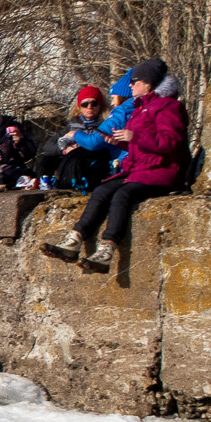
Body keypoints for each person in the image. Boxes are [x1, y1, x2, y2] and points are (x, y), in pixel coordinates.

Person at [40, 58, 188, 272]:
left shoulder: (169, 107)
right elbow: (141, 144)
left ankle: (106, 250)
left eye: (134, 81)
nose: (130, 85)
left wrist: (133, 136)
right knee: (101, 191)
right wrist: (119, 142)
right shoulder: (140, 107)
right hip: (140, 169)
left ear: (148, 83)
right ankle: (74, 241)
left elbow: (171, 143)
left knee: (122, 195)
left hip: (162, 173)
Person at [37, 85, 112, 190]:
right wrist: (65, 150)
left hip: (92, 160)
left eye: (94, 103)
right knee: (47, 158)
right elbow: (48, 146)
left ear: (100, 105)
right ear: (79, 107)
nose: (89, 107)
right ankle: (45, 181)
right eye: (85, 104)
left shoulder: (106, 124)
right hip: (70, 159)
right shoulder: (72, 125)